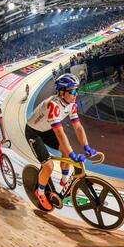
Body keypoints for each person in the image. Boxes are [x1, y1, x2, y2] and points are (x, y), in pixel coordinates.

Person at [25, 74, 97, 211]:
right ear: (62, 92)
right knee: (48, 166)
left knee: (65, 150)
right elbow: (59, 133)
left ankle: (64, 181)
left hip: (46, 129)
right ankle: (39, 193)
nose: (76, 94)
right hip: (33, 132)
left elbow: (78, 127)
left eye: (77, 91)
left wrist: (86, 146)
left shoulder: (71, 105)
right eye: (72, 91)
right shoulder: (53, 106)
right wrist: (72, 154)